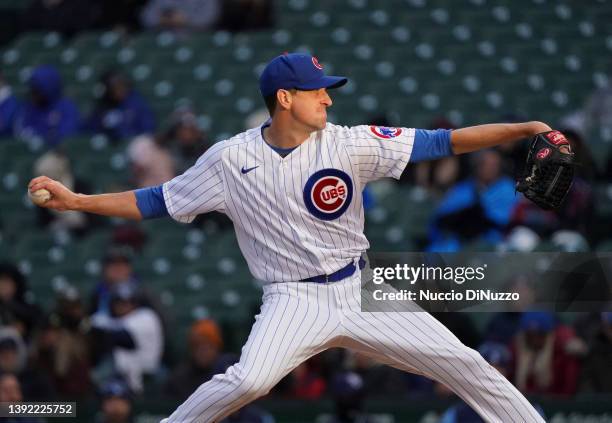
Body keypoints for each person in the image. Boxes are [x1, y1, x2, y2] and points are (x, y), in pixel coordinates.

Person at [28, 52, 561, 422]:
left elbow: (444, 142)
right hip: (293, 298)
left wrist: (527, 129)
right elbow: (154, 201)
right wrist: (77, 202)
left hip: (360, 287)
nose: (328, 100)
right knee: (248, 383)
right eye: (317, 92)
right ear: (285, 98)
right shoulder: (230, 158)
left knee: (468, 364)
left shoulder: (350, 144)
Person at [14, 64, 80, 147]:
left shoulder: (67, 107)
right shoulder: (28, 108)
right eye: (32, 89)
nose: (33, 94)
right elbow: (21, 133)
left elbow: (69, 135)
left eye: (37, 90)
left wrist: (41, 135)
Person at [85, 70, 156, 142]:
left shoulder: (137, 104)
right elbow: (90, 131)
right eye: (113, 87)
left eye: (120, 85)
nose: (118, 89)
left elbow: (147, 131)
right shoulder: (102, 108)